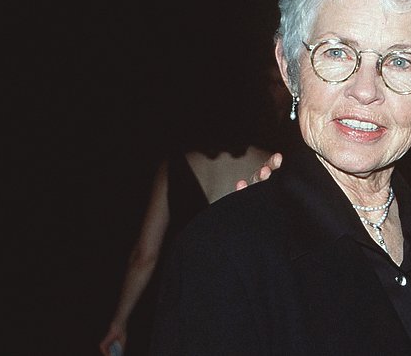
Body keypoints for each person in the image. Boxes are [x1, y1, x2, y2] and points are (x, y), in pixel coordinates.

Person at [149, 0, 411, 355]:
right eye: (337, 52)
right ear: (289, 67)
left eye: (400, 62)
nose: (365, 90)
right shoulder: (224, 253)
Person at [99, 63, 290, 356]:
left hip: (186, 316)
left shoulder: (174, 169)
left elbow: (144, 256)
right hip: (250, 321)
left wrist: (119, 321)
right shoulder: (277, 168)